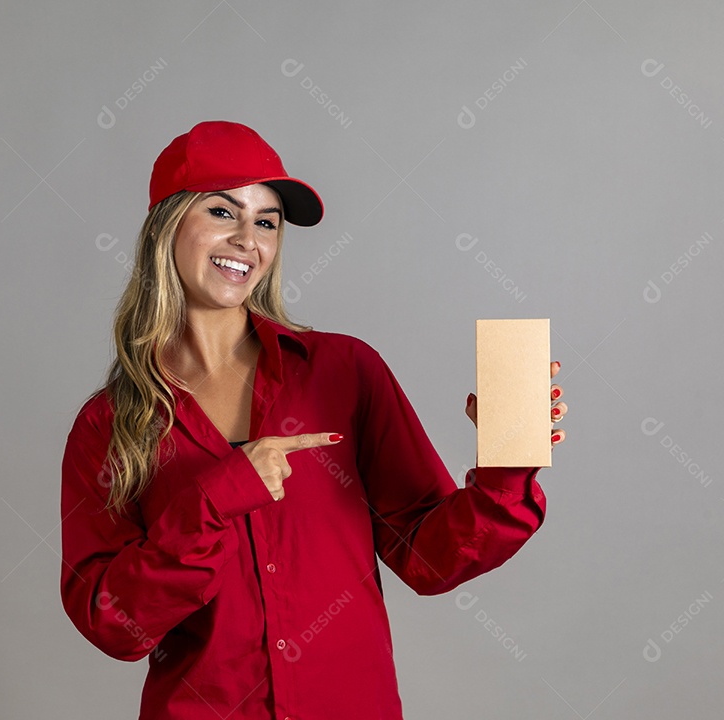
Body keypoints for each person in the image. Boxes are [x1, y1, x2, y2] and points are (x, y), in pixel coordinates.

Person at [60, 120, 567, 719]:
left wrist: (505, 470)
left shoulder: (344, 371)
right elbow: (114, 623)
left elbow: (429, 560)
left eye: (267, 222)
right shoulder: (108, 424)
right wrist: (217, 497)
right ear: (167, 226)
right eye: (223, 212)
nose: (249, 239)